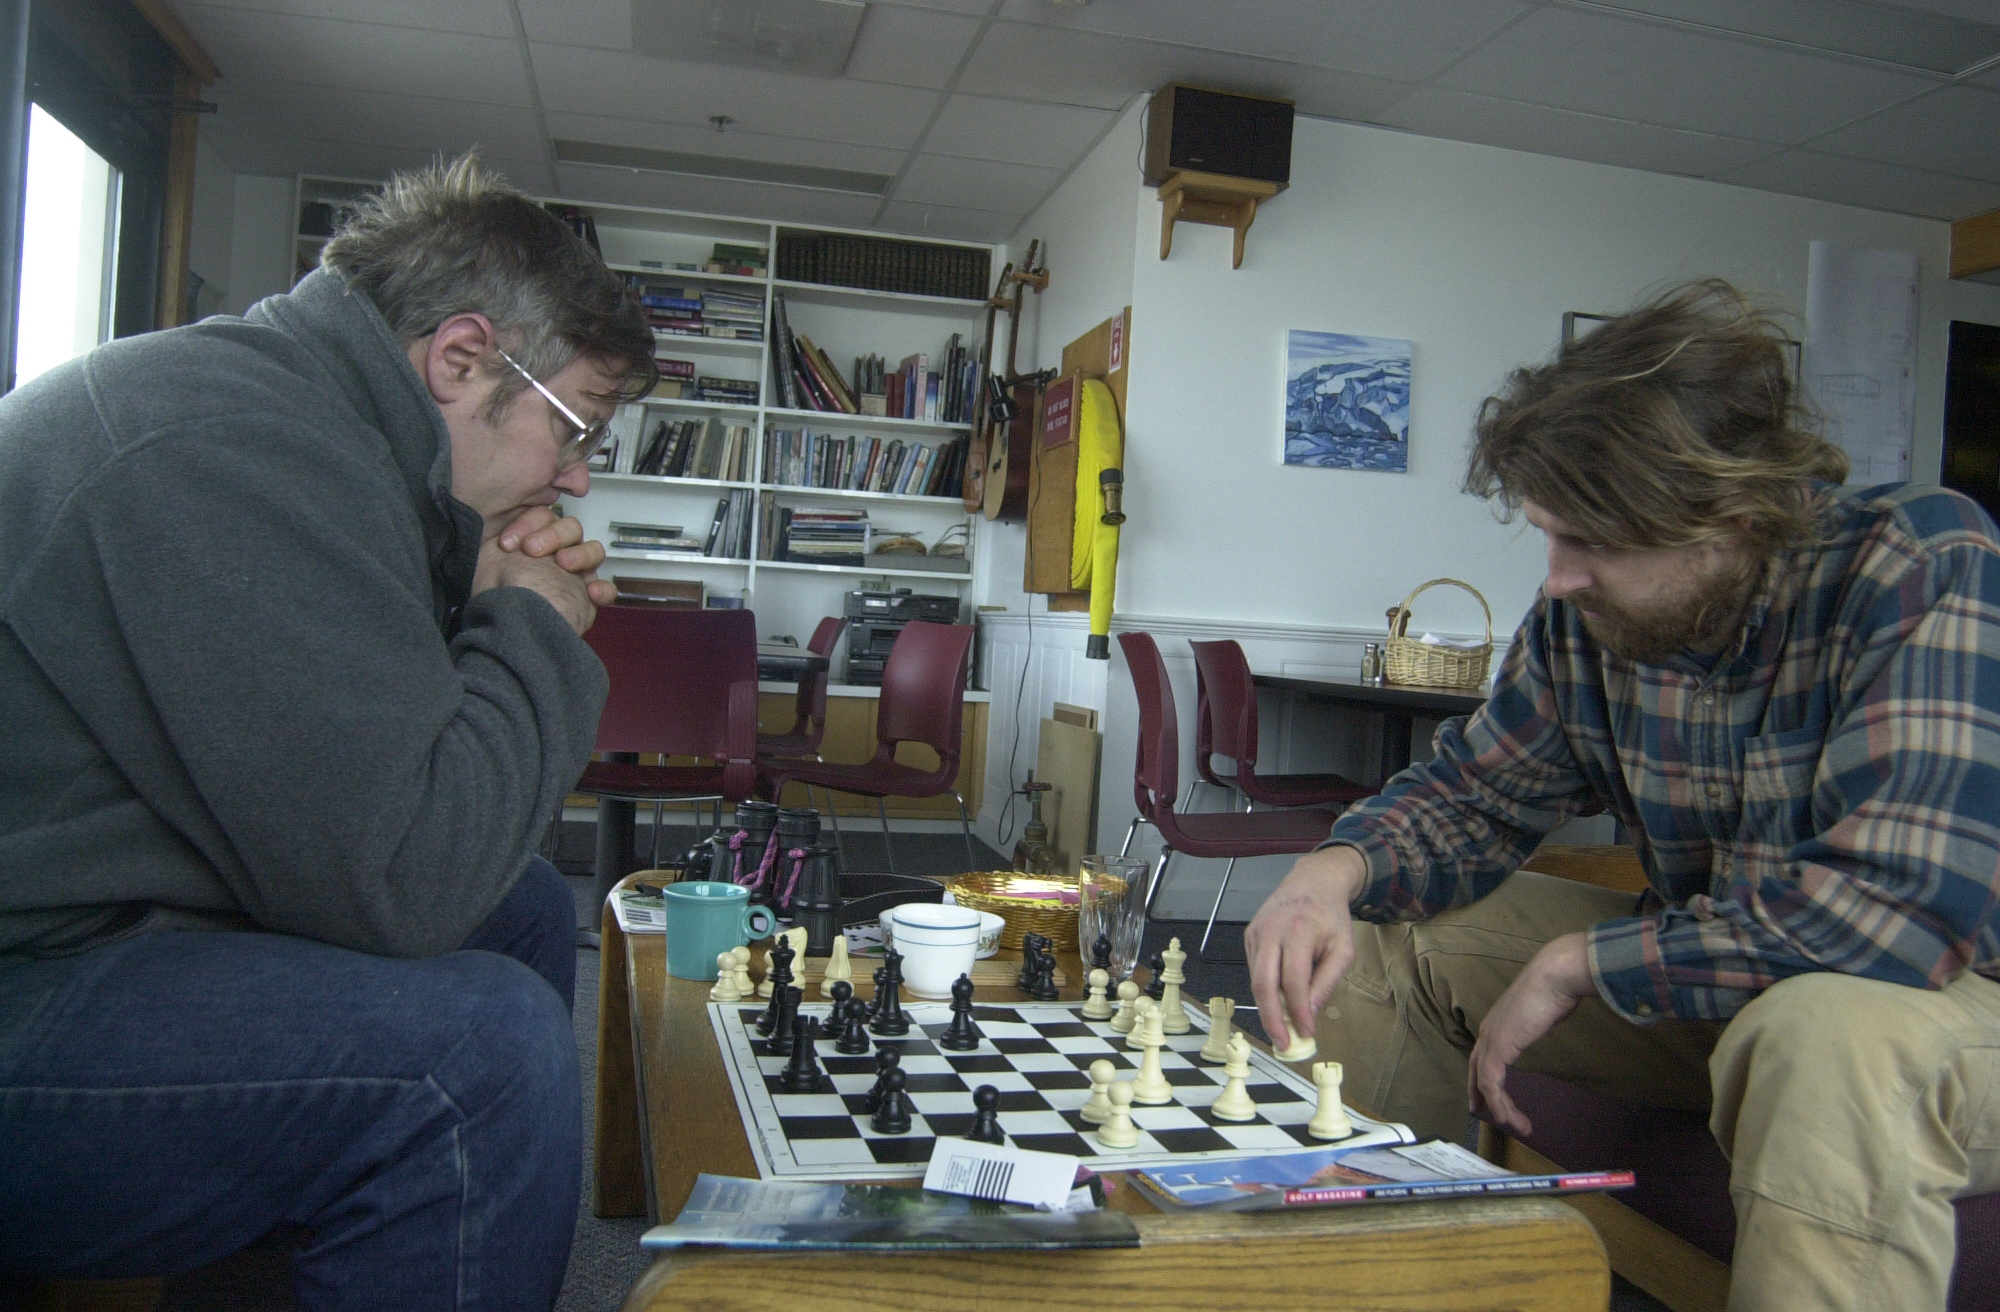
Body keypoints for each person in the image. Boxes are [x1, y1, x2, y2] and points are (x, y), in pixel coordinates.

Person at [1246, 280, 2000, 1312]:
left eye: (1591, 544)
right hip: (1723, 975)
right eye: (1549, 536)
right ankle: (1361, 1282)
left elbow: (1898, 913)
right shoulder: (1584, 620)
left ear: (1729, 515)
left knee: (1826, 1034)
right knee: (1386, 926)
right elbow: (1471, 794)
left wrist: (1583, 960)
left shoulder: (1918, 559)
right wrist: (1334, 869)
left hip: (1947, 1003)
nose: (1555, 577)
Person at [0, 156, 656, 1309]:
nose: (576, 478)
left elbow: (403, 776)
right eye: (575, 426)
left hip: (102, 915)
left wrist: (483, 590)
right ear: (461, 359)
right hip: (34, 973)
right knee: (475, 1059)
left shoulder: (309, 427)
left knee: (521, 906)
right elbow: (403, 878)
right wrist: (533, 625)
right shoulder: (229, 448)